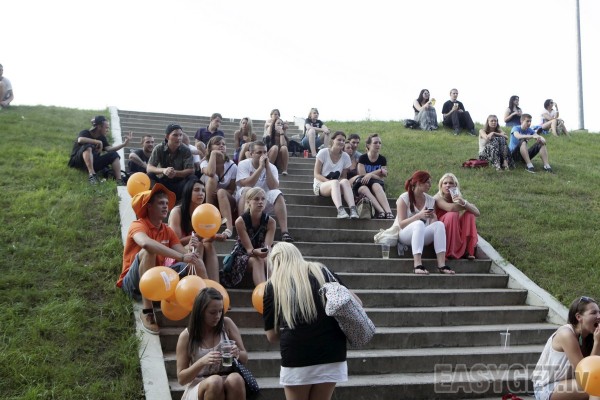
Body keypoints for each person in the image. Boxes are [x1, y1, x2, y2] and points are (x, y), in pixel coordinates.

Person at [263, 242, 359, 400]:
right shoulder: (323, 272)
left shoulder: (273, 285)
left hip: (297, 354)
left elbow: (272, 336)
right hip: (331, 351)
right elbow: (356, 302)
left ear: (275, 262)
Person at [117, 184, 207, 334]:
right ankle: (147, 311)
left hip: (158, 282)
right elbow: (146, 244)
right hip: (133, 284)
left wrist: (191, 252)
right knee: (149, 251)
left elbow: (182, 253)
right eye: (160, 203)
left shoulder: (167, 230)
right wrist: (181, 256)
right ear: (149, 207)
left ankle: (207, 306)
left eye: (166, 203)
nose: (166, 206)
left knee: (196, 262)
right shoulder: (138, 225)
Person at [176, 287, 247, 400]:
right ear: (200, 311)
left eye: (220, 311)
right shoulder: (186, 336)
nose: (217, 316)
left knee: (236, 379)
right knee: (215, 382)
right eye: (212, 312)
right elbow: (181, 379)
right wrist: (202, 362)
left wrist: (237, 353)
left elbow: (245, 357)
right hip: (199, 384)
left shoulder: (227, 324)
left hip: (227, 380)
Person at [531, 296, 600, 400]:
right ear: (579, 317)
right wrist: (597, 343)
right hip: (546, 388)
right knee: (595, 385)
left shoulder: (589, 337)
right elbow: (586, 373)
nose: (599, 316)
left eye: (599, 312)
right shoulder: (566, 334)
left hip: (571, 383)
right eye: (593, 313)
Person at [236, 141, 294, 243]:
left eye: (265, 152)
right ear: (251, 154)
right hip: (245, 197)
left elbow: (273, 186)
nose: (263, 155)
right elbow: (246, 183)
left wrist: (267, 168)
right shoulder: (244, 164)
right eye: (259, 152)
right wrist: (260, 168)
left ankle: (285, 232)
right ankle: (243, 228)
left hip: (263, 198)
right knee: (248, 190)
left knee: (277, 193)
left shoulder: (272, 167)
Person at [396, 170, 452, 275]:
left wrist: (434, 218)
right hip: (404, 234)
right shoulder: (404, 198)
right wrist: (418, 216)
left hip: (422, 234)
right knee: (419, 223)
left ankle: (442, 265)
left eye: (430, 182)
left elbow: (432, 225)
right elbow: (402, 224)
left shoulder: (430, 200)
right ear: (418, 183)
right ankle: (417, 265)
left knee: (439, 224)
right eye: (427, 182)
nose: (430, 185)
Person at [168, 179, 219, 280]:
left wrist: (211, 236)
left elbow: (203, 239)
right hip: (178, 255)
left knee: (208, 245)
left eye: (203, 190)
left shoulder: (204, 212)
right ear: (188, 192)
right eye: (196, 190)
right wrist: (199, 235)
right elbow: (174, 243)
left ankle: (215, 285)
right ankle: (199, 283)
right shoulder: (177, 212)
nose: (201, 193)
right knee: (199, 245)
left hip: (195, 250)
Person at [68, 115, 131, 185]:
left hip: (93, 162)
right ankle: (92, 175)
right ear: (99, 127)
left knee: (114, 154)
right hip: (77, 162)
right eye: (106, 128)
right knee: (88, 147)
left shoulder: (102, 138)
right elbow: (80, 140)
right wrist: (98, 142)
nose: (107, 130)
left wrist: (124, 144)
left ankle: (119, 180)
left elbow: (109, 149)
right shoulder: (85, 132)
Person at [232, 187, 276, 286]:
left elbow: (267, 247)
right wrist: (257, 252)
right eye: (256, 199)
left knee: (268, 259)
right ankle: (263, 291)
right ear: (248, 202)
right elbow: (249, 250)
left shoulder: (271, 222)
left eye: (263, 199)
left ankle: (274, 289)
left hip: (262, 254)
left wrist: (265, 252)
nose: (260, 202)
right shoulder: (240, 222)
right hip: (243, 254)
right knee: (257, 261)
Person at [433, 173, 480, 260]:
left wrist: (463, 202)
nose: (448, 185)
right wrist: (466, 205)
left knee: (470, 215)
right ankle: (447, 252)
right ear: (441, 186)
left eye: (451, 183)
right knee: (452, 214)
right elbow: (451, 208)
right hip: (440, 228)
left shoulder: (457, 199)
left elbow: (477, 213)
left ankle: (467, 251)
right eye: (445, 183)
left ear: (455, 186)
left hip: (454, 226)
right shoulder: (437, 197)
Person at [313, 131, 359, 219]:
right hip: (321, 184)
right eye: (339, 140)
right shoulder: (323, 152)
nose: (341, 142)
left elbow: (343, 177)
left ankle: (353, 209)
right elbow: (316, 174)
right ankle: (340, 210)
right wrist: (330, 182)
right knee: (334, 182)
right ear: (333, 140)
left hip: (336, 185)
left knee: (345, 181)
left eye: (343, 140)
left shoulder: (345, 156)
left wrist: (339, 182)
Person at [200, 136, 238, 240]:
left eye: (223, 144)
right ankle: (209, 216)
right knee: (212, 179)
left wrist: (219, 192)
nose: (221, 146)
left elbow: (231, 190)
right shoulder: (205, 162)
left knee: (221, 191)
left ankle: (229, 229)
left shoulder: (232, 166)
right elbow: (210, 173)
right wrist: (213, 154)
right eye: (217, 144)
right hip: (209, 199)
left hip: (226, 200)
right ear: (210, 147)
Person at [147, 123, 195, 200]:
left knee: (193, 178)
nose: (179, 138)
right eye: (175, 135)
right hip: (163, 182)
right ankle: (157, 201)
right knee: (149, 175)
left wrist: (175, 173)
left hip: (180, 183)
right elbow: (149, 168)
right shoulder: (159, 148)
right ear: (167, 136)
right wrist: (164, 170)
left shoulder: (186, 150)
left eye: (180, 135)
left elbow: (191, 170)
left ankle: (185, 203)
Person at [354, 134, 394, 219]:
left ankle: (388, 212)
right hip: (362, 185)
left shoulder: (382, 159)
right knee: (364, 188)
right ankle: (381, 211)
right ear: (368, 145)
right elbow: (362, 176)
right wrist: (378, 171)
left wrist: (370, 174)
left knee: (376, 185)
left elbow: (382, 178)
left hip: (376, 185)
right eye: (375, 143)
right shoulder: (363, 158)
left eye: (379, 143)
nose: (378, 145)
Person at [264, 109, 290, 175]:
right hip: (269, 158)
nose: (280, 125)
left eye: (281, 124)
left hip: (279, 160)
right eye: (278, 123)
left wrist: (281, 133)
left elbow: (283, 144)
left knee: (284, 147)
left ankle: (285, 170)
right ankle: (269, 170)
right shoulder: (269, 134)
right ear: (274, 125)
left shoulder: (283, 134)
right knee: (275, 147)